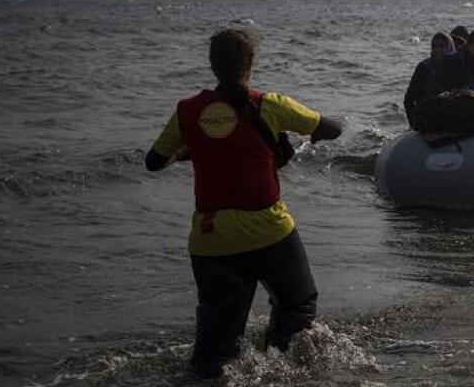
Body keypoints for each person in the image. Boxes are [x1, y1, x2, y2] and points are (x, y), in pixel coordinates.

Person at [144, 29, 343, 379]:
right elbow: (331, 128)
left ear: (212, 65)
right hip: (269, 233)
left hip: (211, 240)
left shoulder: (187, 111)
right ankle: (277, 365)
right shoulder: (271, 105)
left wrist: (192, 150)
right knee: (297, 305)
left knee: (215, 347)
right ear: (251, 63)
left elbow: (154, 161)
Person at [404, 32, 453, 128]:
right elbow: (409, 100)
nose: (437, 50)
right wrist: (414, 124)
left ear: (450, 48)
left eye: (442, 46)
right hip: (427, 118)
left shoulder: (457, 68)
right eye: (434, 46)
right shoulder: (424, 67)